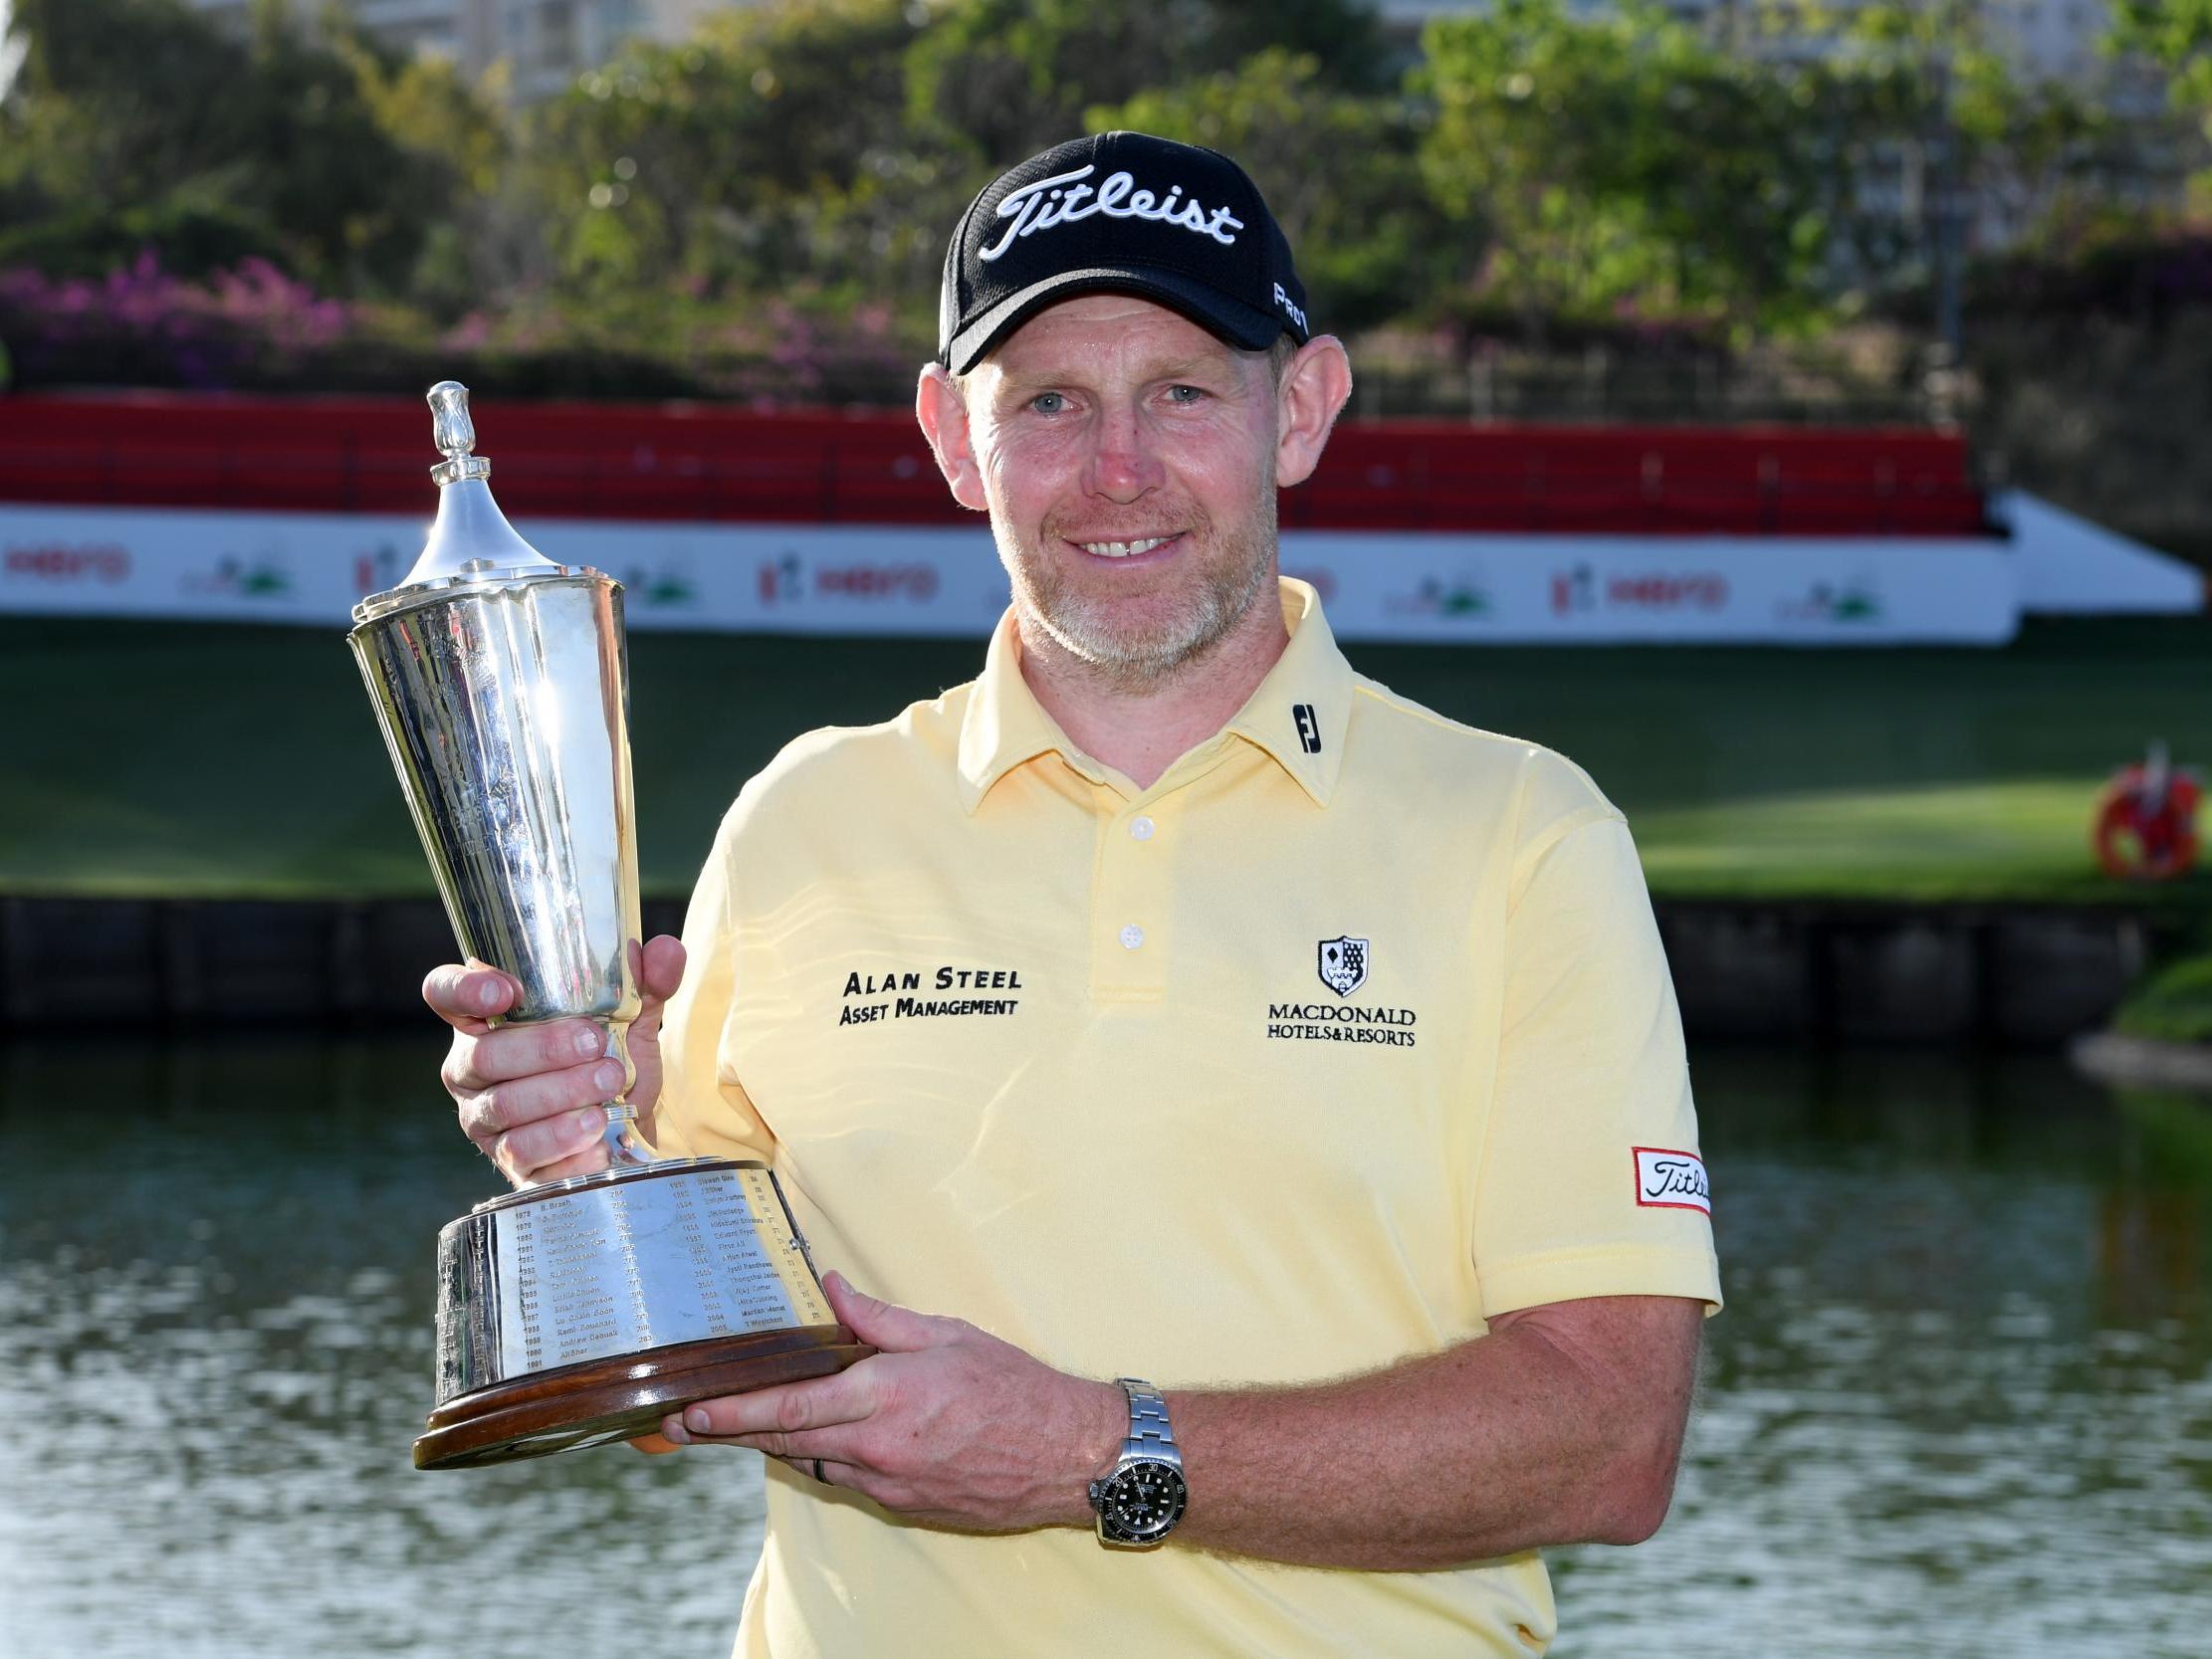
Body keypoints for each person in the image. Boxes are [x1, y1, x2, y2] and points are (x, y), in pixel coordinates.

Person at [426, 132, 1720, 1656]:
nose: (1118, 468)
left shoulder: (1521, 836)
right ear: (950, 437)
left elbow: (1606, 1442)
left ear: (1297, 408)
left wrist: (1095, 1452)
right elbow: (672, 1394)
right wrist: (588, 1164)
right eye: (1047, 402)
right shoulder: (805, 822)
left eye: (1181, 390)